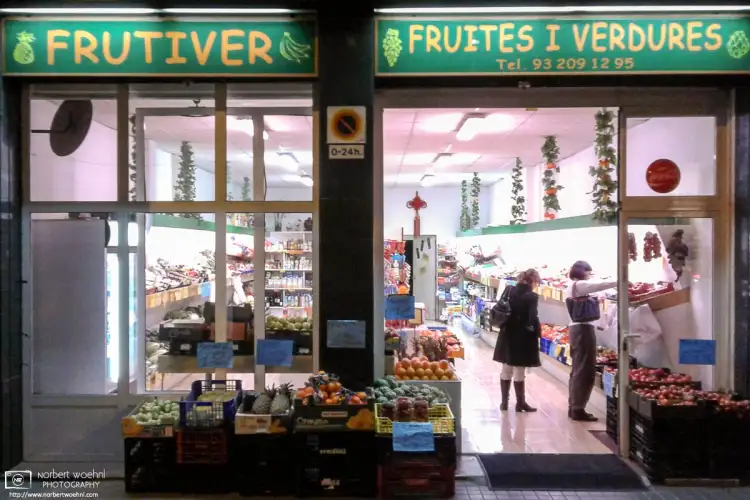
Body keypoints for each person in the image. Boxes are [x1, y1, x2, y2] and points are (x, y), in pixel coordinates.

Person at [565, 260, 617, 422]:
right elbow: (599, 286)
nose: (589, 276)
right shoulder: (578, 285)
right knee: (585, 370)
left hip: (576, 330)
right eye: (588, 273)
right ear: (583, 272)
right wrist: (620, 280)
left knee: (577, 369)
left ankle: (574, 406)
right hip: (582, 330)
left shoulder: (572, 286)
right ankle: (578, 408)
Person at [493, 269, 542, 413]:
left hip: (507, 333)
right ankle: (520, 403)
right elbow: (532, 317)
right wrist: (535, 331)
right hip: (522, 337)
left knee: (506, 369)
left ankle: (504, 403)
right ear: (532, 281)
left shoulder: (509, 290)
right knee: (519, 370)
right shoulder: (532, 296)